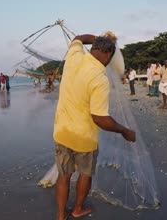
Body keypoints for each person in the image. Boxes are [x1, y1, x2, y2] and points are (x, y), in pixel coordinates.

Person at [53, 33, 136, 220]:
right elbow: (99, 118)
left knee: (63, 175)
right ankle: (77, 209)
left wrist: (99, 37)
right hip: (84, 138)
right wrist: (124, 131)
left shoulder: (73, 58)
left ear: (94, 48)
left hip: (62, 132)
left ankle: (60, 215)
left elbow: (78, 38)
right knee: (85, 174)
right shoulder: (99, 78)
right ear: (107, 55)